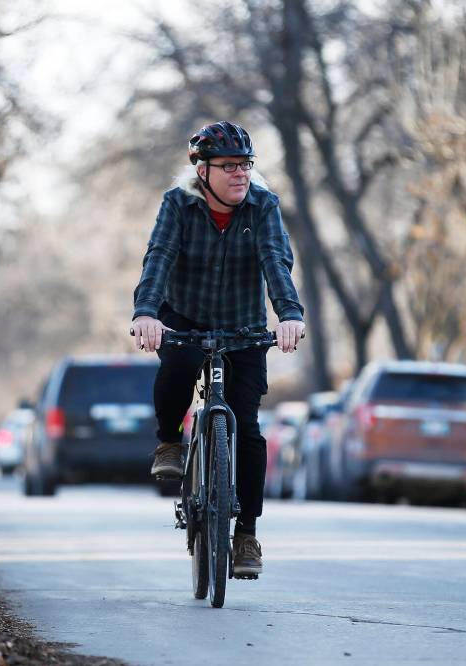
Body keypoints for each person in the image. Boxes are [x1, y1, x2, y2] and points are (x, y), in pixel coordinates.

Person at [131, 121, 305, 578]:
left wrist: (289, 315)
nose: (240, 174)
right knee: (178, 366)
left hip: (244, 326)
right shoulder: (178, 205)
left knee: (247, 428)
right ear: (202, 171)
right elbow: (159, 257)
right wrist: (146, 313)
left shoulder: (264, 207)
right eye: (228, 166)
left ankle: (246, 533)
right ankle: (169, 440)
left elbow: (276, 261)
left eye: (245, 165)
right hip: (185, 316)